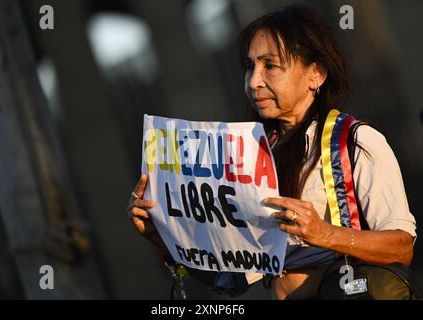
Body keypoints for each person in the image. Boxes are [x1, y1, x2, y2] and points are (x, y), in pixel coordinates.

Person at [128, 5, 417, 299]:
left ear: (315, 74)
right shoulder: (248, 157)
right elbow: (229, 279)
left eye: (270, 65)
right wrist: (163, 237)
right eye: (249, 67)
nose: (254, 81)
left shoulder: (355, 141)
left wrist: (324, 232)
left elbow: (402, 247)